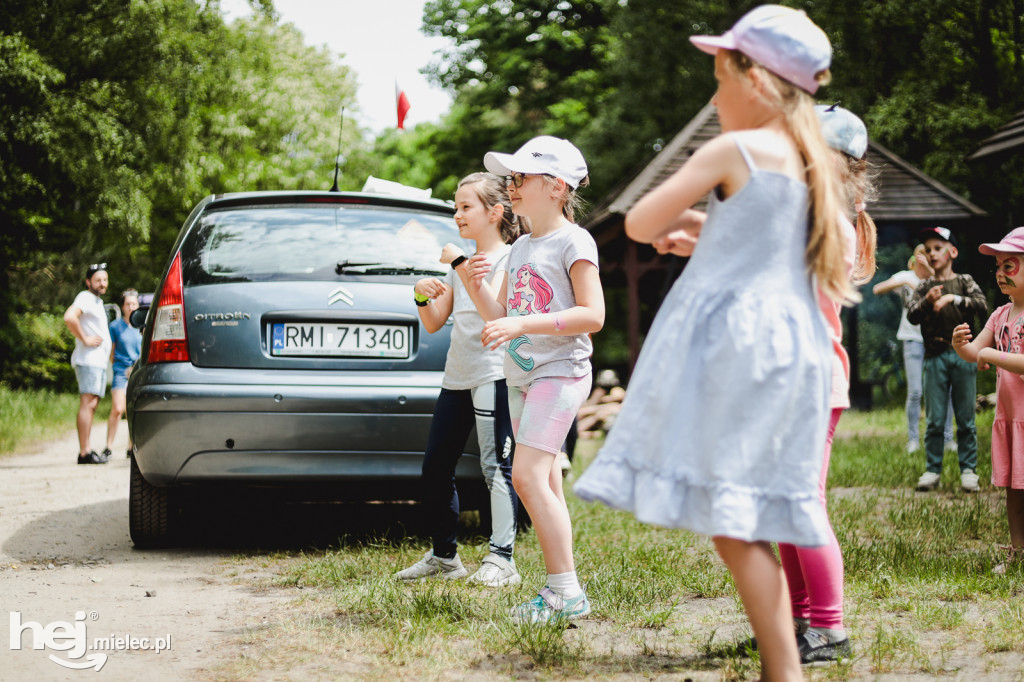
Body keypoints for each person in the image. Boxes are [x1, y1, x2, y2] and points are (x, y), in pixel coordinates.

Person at [574, 6, 844, 679]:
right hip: (793, 346)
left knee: (733, 515)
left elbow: (639, 221)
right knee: (749, 510)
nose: (714, 95)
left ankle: (785, 670)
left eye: (719, 78)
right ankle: (785, 665)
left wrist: (681, 221)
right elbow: (767, 246)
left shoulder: (733, 151)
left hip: (738, 348)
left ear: (755, 80)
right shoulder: (814, 163)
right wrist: (706, 229)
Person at [461, 135, 604, 622]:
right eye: (510, 179)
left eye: (520, 178)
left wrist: (521, 324)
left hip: (560, 374)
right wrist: (470, 280)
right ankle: (562, 586)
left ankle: (565, 592)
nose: (511, 187)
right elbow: (500, 312)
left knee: (524, 476)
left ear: (557, 187)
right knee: (542, 481)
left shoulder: (574, 241)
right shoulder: (521, 245)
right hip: (522, 378)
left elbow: (593, 314)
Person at [774, 104, 876, 664]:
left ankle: (830, 628)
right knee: (786, 506)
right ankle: (798, 617)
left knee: (802, 504)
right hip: (787, 379)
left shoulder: (825, 220)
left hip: (811, 380)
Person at [394, 173, 524, 587]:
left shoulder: (511, 258)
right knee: (435, 467)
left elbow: (495, 316)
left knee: (495, 468)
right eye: (456, 206)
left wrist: (459, 264)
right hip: (457, 377)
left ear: (495, 212)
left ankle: (502, 559)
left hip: (493, 375)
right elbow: (434, 322)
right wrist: (419, 294)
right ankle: (445, 558)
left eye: (466, 206)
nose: (457, 214)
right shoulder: (461, 262)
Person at [952, 226, 1024, 574]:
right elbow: (976, 351)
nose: (999, 273)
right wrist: (961, 346)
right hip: (1010, 420)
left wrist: (991, 354)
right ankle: (1017, 551)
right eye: (997, 266)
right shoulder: (1000, 315)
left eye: (1009, 266)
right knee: (1013, 488)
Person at [906, 226, 987, 492]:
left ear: (952, 251)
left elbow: (981, 304)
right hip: (934, 357)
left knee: (965, 417)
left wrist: (953, 298)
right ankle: (932, 469)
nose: (931, 254)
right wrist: (929, 301)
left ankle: (968, 470)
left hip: (963, 356)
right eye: (928, 250)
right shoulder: (924, 286)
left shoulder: (964, 281)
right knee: (935, 419)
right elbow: (912, 315)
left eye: (937, 248)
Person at [873, 244, 955, 453]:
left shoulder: (939, 277)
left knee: (944, 390)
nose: (924, 256)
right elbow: (877, 289)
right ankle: (913, 440)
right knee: (916, 392)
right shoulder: (905, 276)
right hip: (912, 340)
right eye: (921, 252)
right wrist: (905, 281)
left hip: (938, 341)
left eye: (928, 253)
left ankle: (947, 439)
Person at [64, 263, 113, 464]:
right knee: (87, 402)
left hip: (98, 362)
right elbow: (69, 317)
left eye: (105, 280)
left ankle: (87, 449)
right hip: (89, 360)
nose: (102, 283)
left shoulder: (97, 302)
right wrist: (84, 338)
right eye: (98, 280)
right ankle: (84, 452)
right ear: (88, 282)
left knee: (92, 404)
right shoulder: (85, 297)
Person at [105, 288, 142, 459]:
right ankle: (108, 447)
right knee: (118, 408)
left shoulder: (143, 326)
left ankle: (131, 446)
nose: (131, 307)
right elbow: (111, 353)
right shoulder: (115, 326)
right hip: (121, 370)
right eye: (128, 304)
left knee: (133, 410)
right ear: (123, 306)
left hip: (137, 371)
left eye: (134, 304)